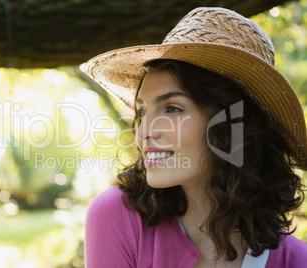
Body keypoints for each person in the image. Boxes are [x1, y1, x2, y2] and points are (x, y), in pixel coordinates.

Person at [83, 7, 307, 268]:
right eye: (143, 111)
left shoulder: (296, 260)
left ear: (233, 125)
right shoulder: (118, 218)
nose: (144, 132)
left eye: (172, 109)